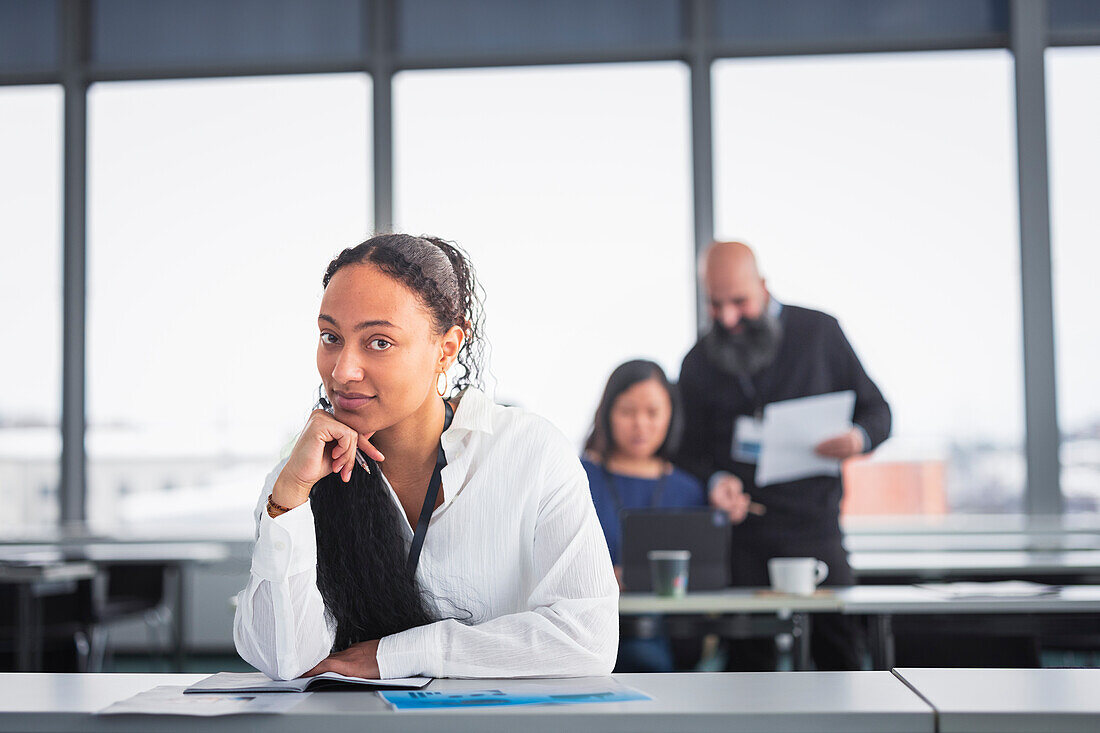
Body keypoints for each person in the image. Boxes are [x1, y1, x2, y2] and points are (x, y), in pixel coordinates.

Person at [233, 234, 618, 681]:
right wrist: (291, 496)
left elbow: (586, 639)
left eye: (379, 342)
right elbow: (285, 660)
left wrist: (395, 655)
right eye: (331, 337)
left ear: (447, 347)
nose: (342, 371)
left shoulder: (529, 452)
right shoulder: (300, 475)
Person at [675, 240, 891, 671]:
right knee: (748, 664)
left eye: (739, 302)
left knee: (840, 655)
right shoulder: (697, 361)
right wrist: (716, 481)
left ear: (764, 286)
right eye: (716, 305)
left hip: (815, 530)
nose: (728, 318)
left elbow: (879, 412)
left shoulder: (821, 333)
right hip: (741, 538)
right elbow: (686, 453)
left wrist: (857, 437)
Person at [582, 359, 707, 672]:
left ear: (670, 415)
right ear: (607, 413)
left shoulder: (688, 489)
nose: (640, 424)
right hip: (591, 628)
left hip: (669, 634)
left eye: (652, 412)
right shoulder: (578, 477)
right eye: (627, 411)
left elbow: (703, 572)